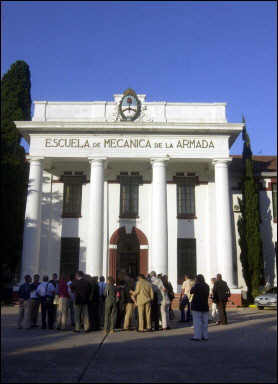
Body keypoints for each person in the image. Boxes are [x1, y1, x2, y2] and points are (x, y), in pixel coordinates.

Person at [190, 274, 210, 341]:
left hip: (197, 306)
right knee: (205, 322)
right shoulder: (207, 286)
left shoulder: (197, 285)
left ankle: (197, 336)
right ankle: (205, 336)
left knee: (197, 322)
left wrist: (194, 284)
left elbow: (191, 291)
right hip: (205, 305)